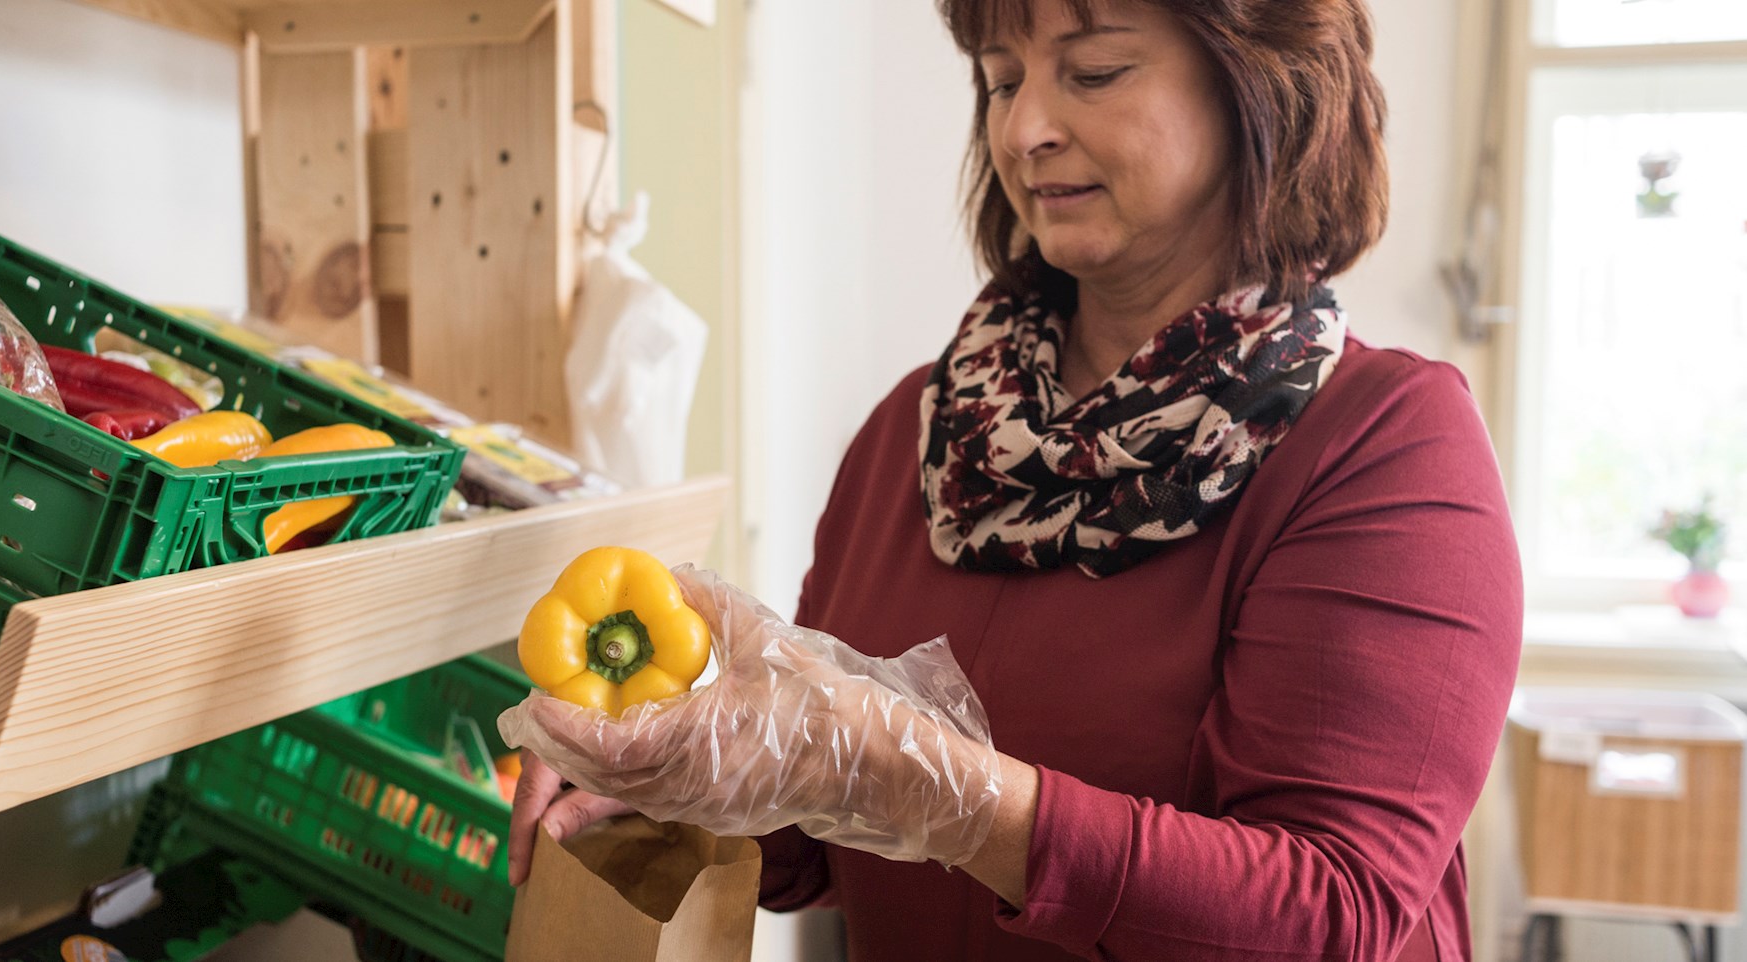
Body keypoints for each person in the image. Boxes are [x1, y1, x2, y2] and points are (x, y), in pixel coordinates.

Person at [499, 0, 1523, 959]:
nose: (1024, 126)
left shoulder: (1384, 443)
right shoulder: (924, 425)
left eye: (1095, 71)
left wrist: (924, 782)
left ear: (1259, 88)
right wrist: (688, 763)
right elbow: (822, 841)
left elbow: (1332, 915)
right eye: (998, 80)